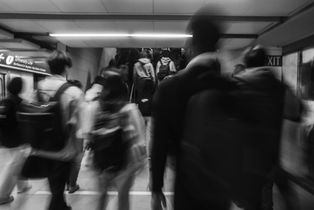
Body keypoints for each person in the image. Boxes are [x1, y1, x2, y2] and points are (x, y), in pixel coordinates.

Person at [151, 6, 236, 210]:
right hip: (222, 189)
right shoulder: (231, 88)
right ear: (218, 45)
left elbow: (159, 143)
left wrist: (156, 188)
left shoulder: (170, 87)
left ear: (190, 45)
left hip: (187, 187)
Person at [232, 46, 299, 210]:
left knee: (250, 200)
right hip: (271, 155)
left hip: (245, 156)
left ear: (246, 64)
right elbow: (296, 110)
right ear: (265, 61)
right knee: (266, 194)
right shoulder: (279, 86)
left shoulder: (237, 85)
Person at [83, 70, 146, 210]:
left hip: (100, 162)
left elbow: (87, 134)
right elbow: (140, 139)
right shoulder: (129, 109)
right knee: (123, 197)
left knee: (101, 197)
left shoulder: (94, 107)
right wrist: (141, 160)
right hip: (124, 162)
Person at [37, 50, 84, 210]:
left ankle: (62, 206)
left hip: (42, 146)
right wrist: (79, 149)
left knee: (55, 186)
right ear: (66, 67)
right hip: (64, 149)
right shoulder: (74, 92)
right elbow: (79, 125)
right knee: (57, 189)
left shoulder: (39, 87)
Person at [0, 77, 31, 205]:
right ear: (20, 88)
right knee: (14, 166)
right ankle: (3, 196)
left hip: (4, 138)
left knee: (18, 162)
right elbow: (24, 122)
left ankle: (23, 186)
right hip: (16, 139)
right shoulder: (19, 102)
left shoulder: (3, 101)